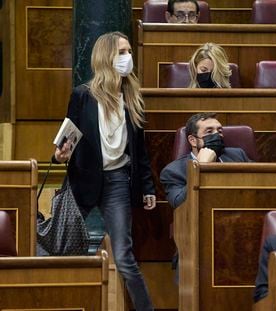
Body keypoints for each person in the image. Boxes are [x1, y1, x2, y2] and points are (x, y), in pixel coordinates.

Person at [53, 32, 156, 311]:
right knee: (62, 249)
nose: (127, 58)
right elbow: (67, 142)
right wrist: (60, 155)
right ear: (105, 57)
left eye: (129, 51)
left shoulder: (133, 98)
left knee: (123, 256)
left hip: (118, 182)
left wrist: (147, 186)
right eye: (121, 52)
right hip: (82, 180)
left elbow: (139, 150)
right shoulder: (83, 96)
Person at [160, 112, 251, 209]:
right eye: (209, 132)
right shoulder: (173, 171)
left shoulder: (238, 155)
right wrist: (200, 167)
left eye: (219, 131)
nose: (217, 135)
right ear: (193, 140)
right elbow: (179, 205)